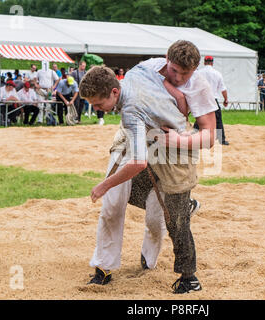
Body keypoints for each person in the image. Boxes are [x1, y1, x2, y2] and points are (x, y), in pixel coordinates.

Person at [81, 40, 217, 294]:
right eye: (173, 71)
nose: (178, 78)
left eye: (184, 75)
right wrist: (175, 97)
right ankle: (103, 266)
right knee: (114, 200)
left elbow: (210, 137)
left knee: (169, 217)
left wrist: (178, 138)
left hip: (175, 147)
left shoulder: (199, 86)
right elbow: (171, 92)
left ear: (195, 70)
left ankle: (187, 276)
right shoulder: (145, 68)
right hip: (139, 136)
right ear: (166, 59)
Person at [196, 55, 230, 145]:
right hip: (213, 99)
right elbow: (223, 89)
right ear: (212, 63)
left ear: (204, 62)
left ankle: (193, 135)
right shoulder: (217, 73)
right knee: (218, 119)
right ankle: (221, 139)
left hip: (202, 98)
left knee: (199, 117)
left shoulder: (199, 72)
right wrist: (226, 99)